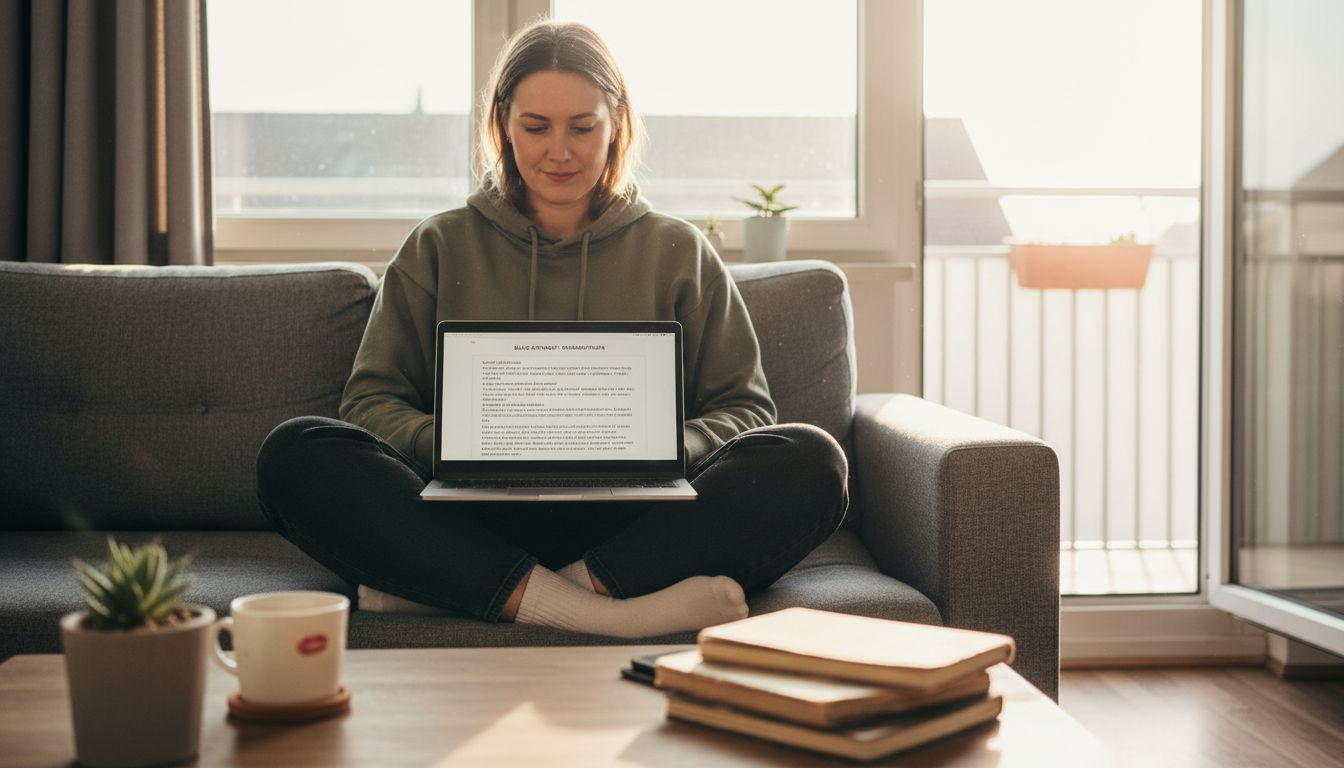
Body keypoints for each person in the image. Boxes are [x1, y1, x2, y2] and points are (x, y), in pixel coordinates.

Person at [256, 21, 848, 638]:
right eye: (536, 127)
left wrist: (661, 449)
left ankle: (472, 591)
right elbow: (369, 403)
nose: (559, 152)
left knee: (813, 464)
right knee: (296, 454)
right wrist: (458, 446)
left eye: (582, 127)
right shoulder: (438, 244)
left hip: (633, 521)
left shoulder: (677, 250)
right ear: (502, 125)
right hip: (471, 517)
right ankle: (603, 612)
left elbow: (747, 410)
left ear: (617, 123)